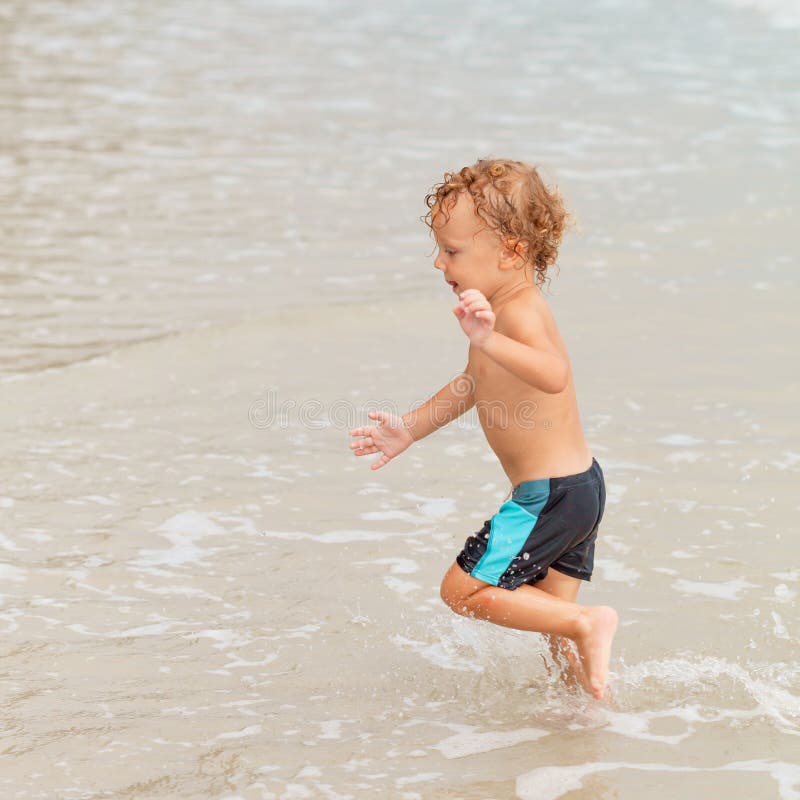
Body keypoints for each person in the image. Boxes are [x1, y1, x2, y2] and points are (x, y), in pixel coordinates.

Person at [348, 158, 617, 699]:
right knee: (552, 623)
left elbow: (555, 373)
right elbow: (472, 383)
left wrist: (491, 338)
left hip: (550, 495)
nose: (438, 263)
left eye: (452, 251)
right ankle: (589, 709)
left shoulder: (518, 314)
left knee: (463, 590)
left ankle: (593, 625)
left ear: (511, 252)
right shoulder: (496, 314)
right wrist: (409, 430)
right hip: (577, 488)